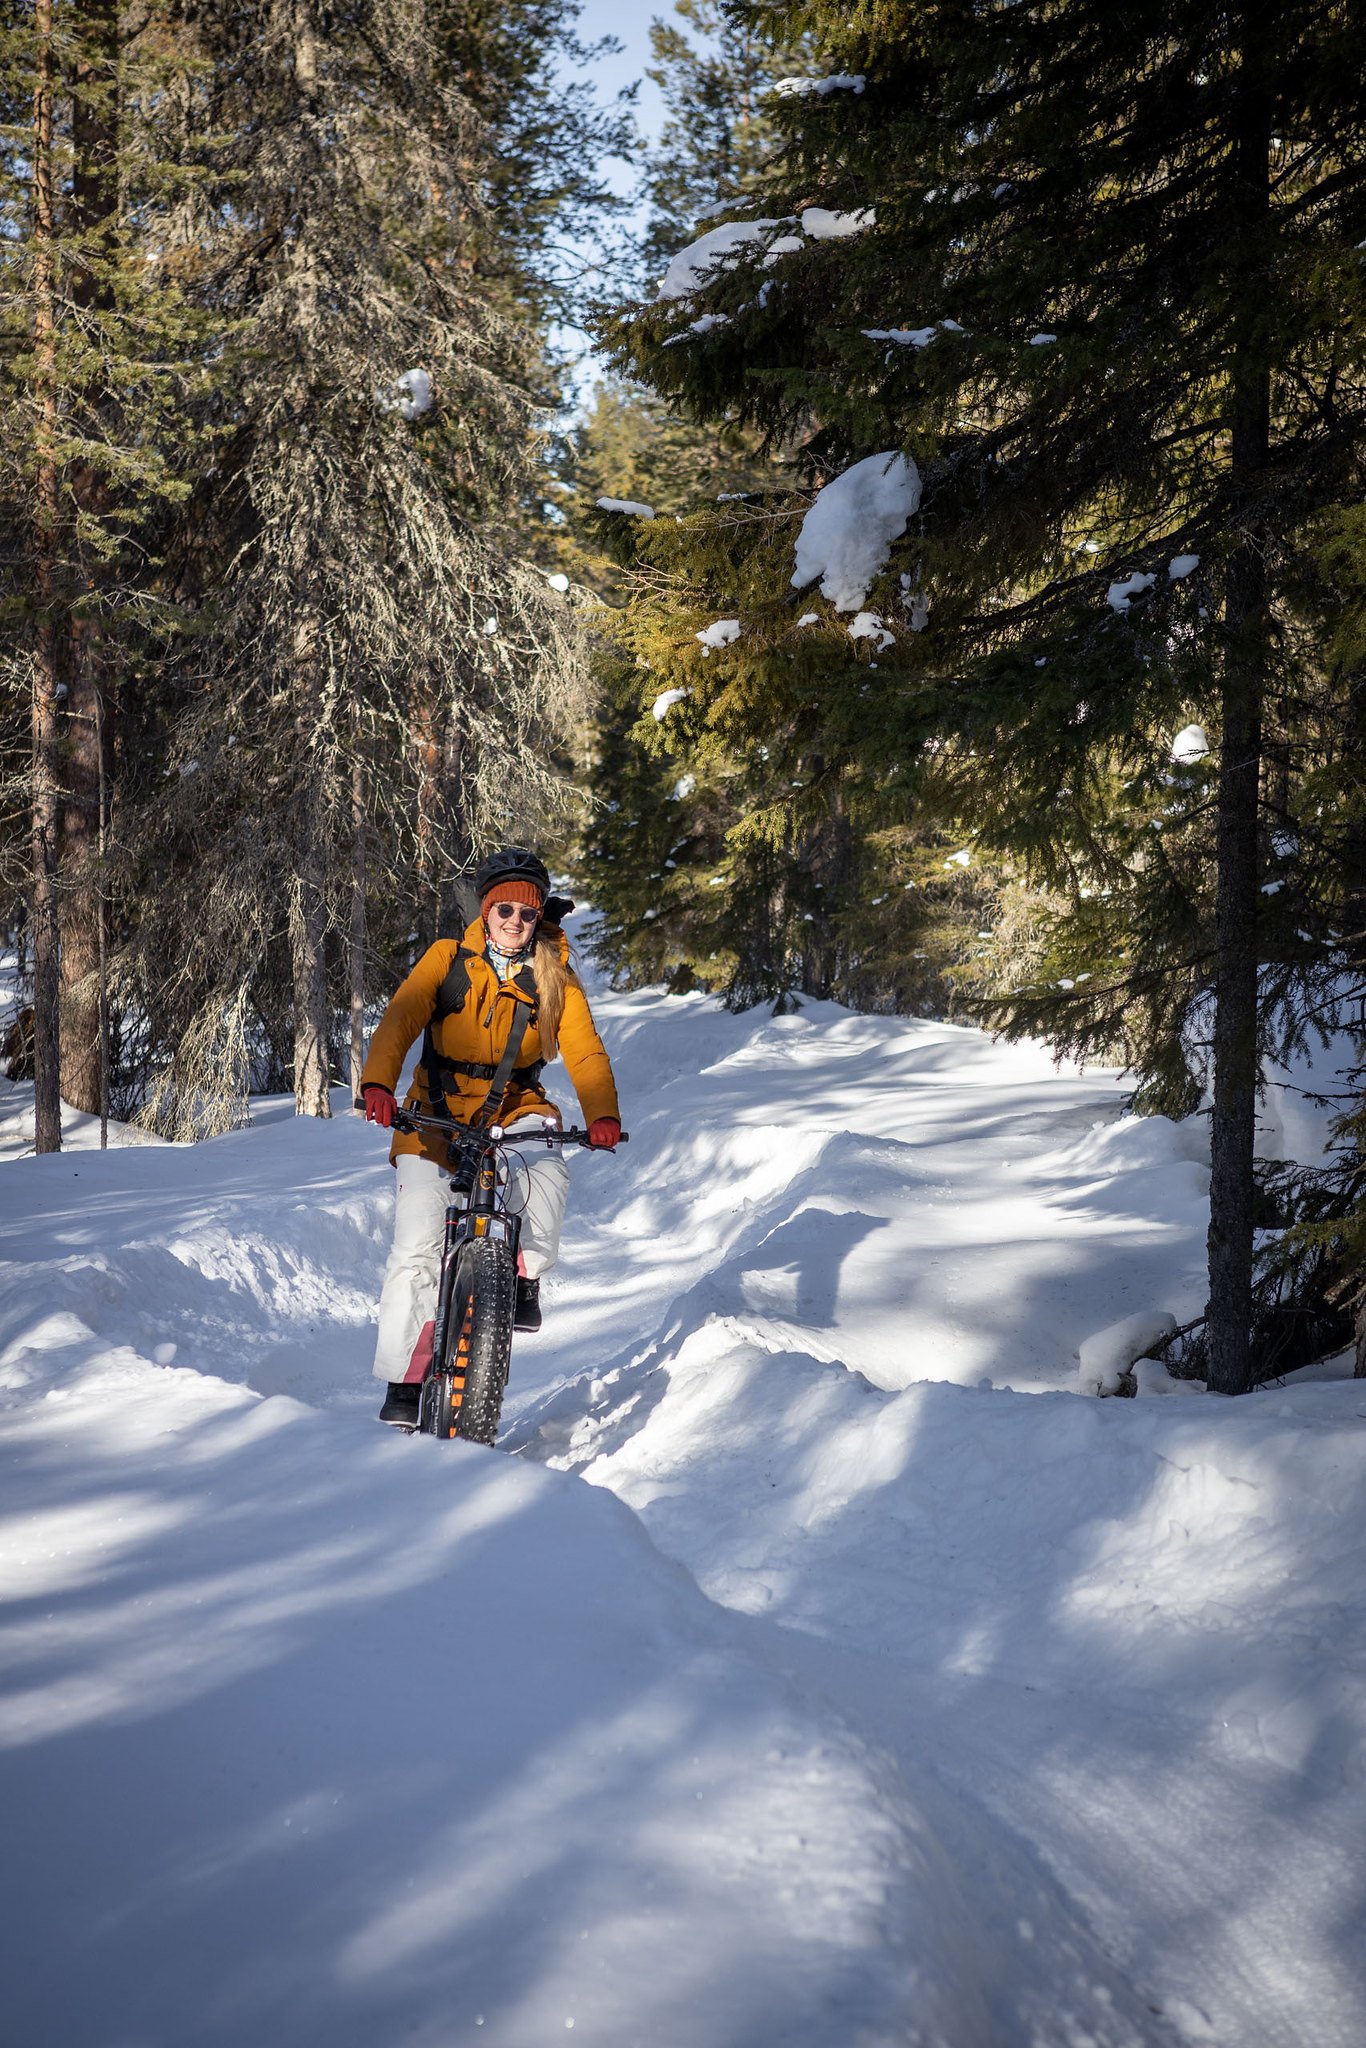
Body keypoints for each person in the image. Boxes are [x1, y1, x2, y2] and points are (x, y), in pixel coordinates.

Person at [360, 847, 621, 1426]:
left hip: (516, 1103)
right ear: (485, 908)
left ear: (539, 918)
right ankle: (405, 1379)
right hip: (434, 1110)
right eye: (504, 909)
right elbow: (400, 1019)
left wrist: (603, 1113)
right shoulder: (447, 957)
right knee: (418, 1244)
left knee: (546, 1174)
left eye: (527, 914)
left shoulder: (555, 975)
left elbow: (583, 1049)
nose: (514, 922)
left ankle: (521, 1277)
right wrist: (378, 1083)